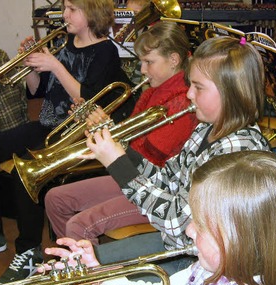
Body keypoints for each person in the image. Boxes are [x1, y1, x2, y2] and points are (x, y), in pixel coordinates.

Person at [0, 0, 135, 284]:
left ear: (91, 13)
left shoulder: (106, 52)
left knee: (23, 171)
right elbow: (37, 91)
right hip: (46, 124)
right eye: (65, 8)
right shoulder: (65, 42)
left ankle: (29, 251)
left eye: (71, 9)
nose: (64, 15)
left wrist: (54, 65)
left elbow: (87, 100)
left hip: (75, 133)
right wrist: (31, 67)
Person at [71, 36, 270, 274]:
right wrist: (121, 150)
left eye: (198, 87)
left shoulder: (236, 152)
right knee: (81, 263)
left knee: (88, 271)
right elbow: (167, 178)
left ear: (231, 92)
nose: (189, 95)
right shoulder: (208, 128)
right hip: (178, 246)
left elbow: (178, 222)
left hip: (200, 265)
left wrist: (118, 165)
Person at [41, 150, 276, 285]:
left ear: (242, 236)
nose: (189, 229)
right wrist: (101, 277)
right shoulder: (208, 269)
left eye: (201, 224)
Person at [44, 20, 198, 243]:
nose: (142, 70)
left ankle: (89, 273)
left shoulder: (183, 102)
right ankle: (72, 264)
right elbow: (132, 142)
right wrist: (98, 123)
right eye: (141, 62)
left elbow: (148, 159)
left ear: (174, 59)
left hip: (156, 190)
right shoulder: (151, 93)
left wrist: (110, 132)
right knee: (55, 198)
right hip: (129, 176)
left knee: (78, 226)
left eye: (148, 62)